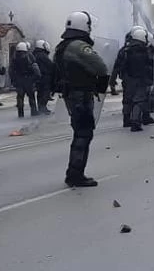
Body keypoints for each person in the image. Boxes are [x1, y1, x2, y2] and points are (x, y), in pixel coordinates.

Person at [54, 11, 110, 188]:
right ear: (84, 26)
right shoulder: (79, 46)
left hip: (71, 94)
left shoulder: (62, 46)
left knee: (81, 131)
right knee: (84, 132)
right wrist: (101, 84)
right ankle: (75, 173)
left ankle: (74, 172)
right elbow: (101, 67)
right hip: (81, 94)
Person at [115, 27, 154, 132]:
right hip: (140, 79)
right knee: (139, 100)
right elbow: (150, 65)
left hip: (127, 79)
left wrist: (113, 80)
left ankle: (126, 120)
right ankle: (136, 122)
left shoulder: (124, 50)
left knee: (127, 100)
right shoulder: (145, 50)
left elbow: (117, 66)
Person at [10, 41, 40, 117]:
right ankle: (34, 112)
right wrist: (36, 78)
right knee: (31, 96)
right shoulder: (29, 56)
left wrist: (14, 80)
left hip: (19, 80)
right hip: (29, 80)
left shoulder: (14, 57)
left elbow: (11, 70)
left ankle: (20, 113)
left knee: (20, 97)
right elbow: (35, 68)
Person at [34, 40, 56, 114]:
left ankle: (40, 107)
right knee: (45, 92)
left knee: (40, 93)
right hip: (45, 77)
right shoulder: (42, 55)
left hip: (38, 77)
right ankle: (43, 108)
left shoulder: (35, 54)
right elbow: (50, 65)